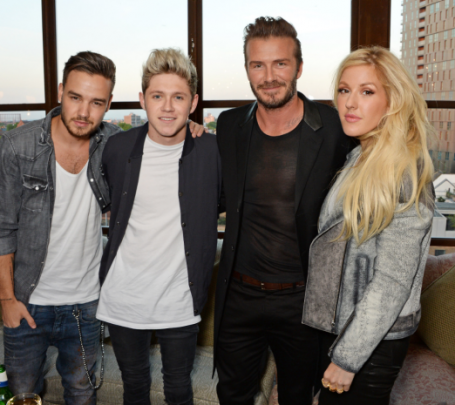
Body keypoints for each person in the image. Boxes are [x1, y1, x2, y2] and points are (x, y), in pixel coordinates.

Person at [0, 51, 204, 405]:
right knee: (22, 396)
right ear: (60, 92)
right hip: (27, 302)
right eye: (75, 97)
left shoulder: (113, 142)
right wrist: (7, 300)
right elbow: (3, 229)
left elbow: (162, 136)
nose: (83, 112)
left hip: (87, 303)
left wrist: (192, 129)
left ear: (109, 104)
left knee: (83, 395)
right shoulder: (19, 146)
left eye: (96, 102)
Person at [214, 17, 353, 405]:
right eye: (258, 65)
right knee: (232, 395)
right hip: (239, 295)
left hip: (303, 301)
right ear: (247, 69)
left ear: (299, 67)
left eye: (280, 63)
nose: (269, 76)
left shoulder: (333, 127)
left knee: (297, 396)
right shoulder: (228, 125)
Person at [302, 46, 435, 405]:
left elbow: (393, 280)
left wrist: (347, 358)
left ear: (393, 102)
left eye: (367, 91)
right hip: (343, 329)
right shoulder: (359, 155)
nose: (350, 103)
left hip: (371, 341)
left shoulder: (403, 173)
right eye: (344, 90)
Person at [96, 48, 221, 405]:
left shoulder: (211, 151)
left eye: (178, 97)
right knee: (134, 388)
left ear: (193, 102)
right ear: (142, 100)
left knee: (178, 390)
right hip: (123, 297)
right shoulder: (117, 148)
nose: (167, 107)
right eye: (157, 96)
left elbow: (220, 202)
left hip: (179, 298)